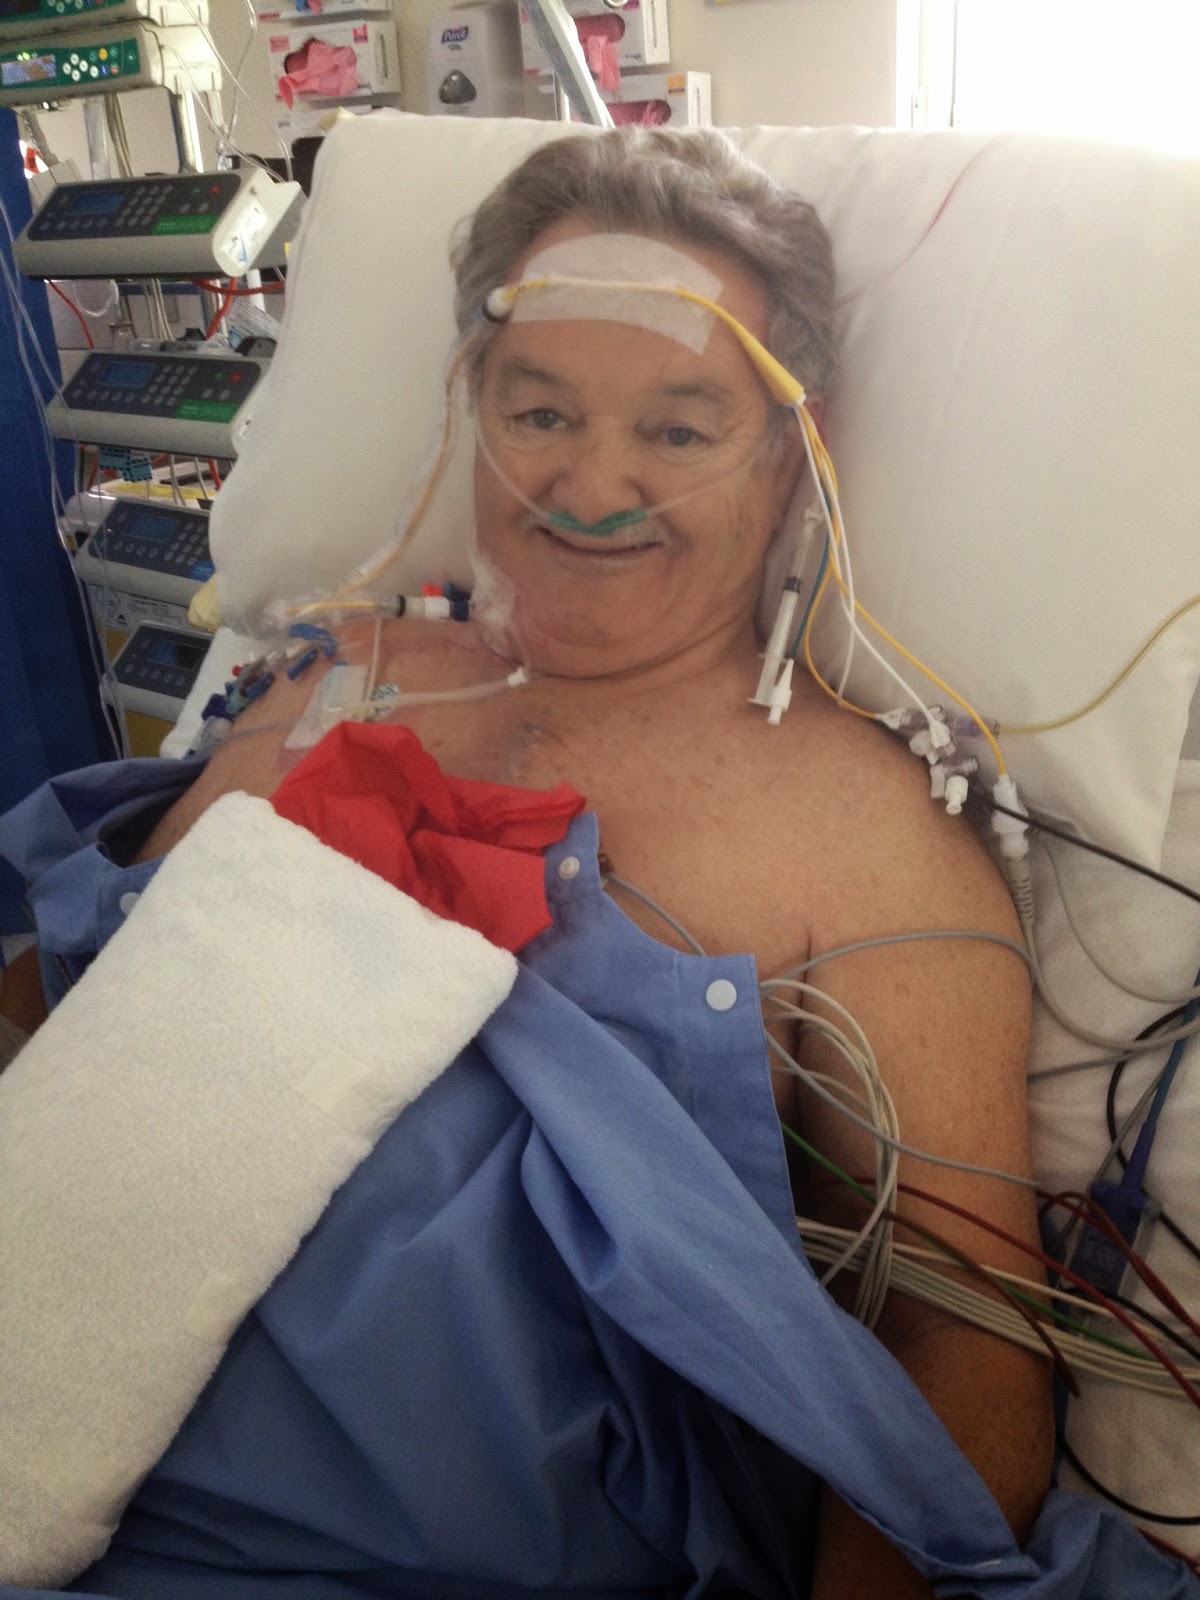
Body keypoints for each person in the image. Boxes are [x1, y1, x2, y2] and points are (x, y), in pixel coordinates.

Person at [0, 127, 1136, 1600]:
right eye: (539, 410)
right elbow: (74, 1015)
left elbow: (967, 1345)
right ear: (472, 406)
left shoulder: (866, 837)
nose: (592, 485)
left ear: (792, 462)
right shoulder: (331, 686)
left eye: (679, 429)